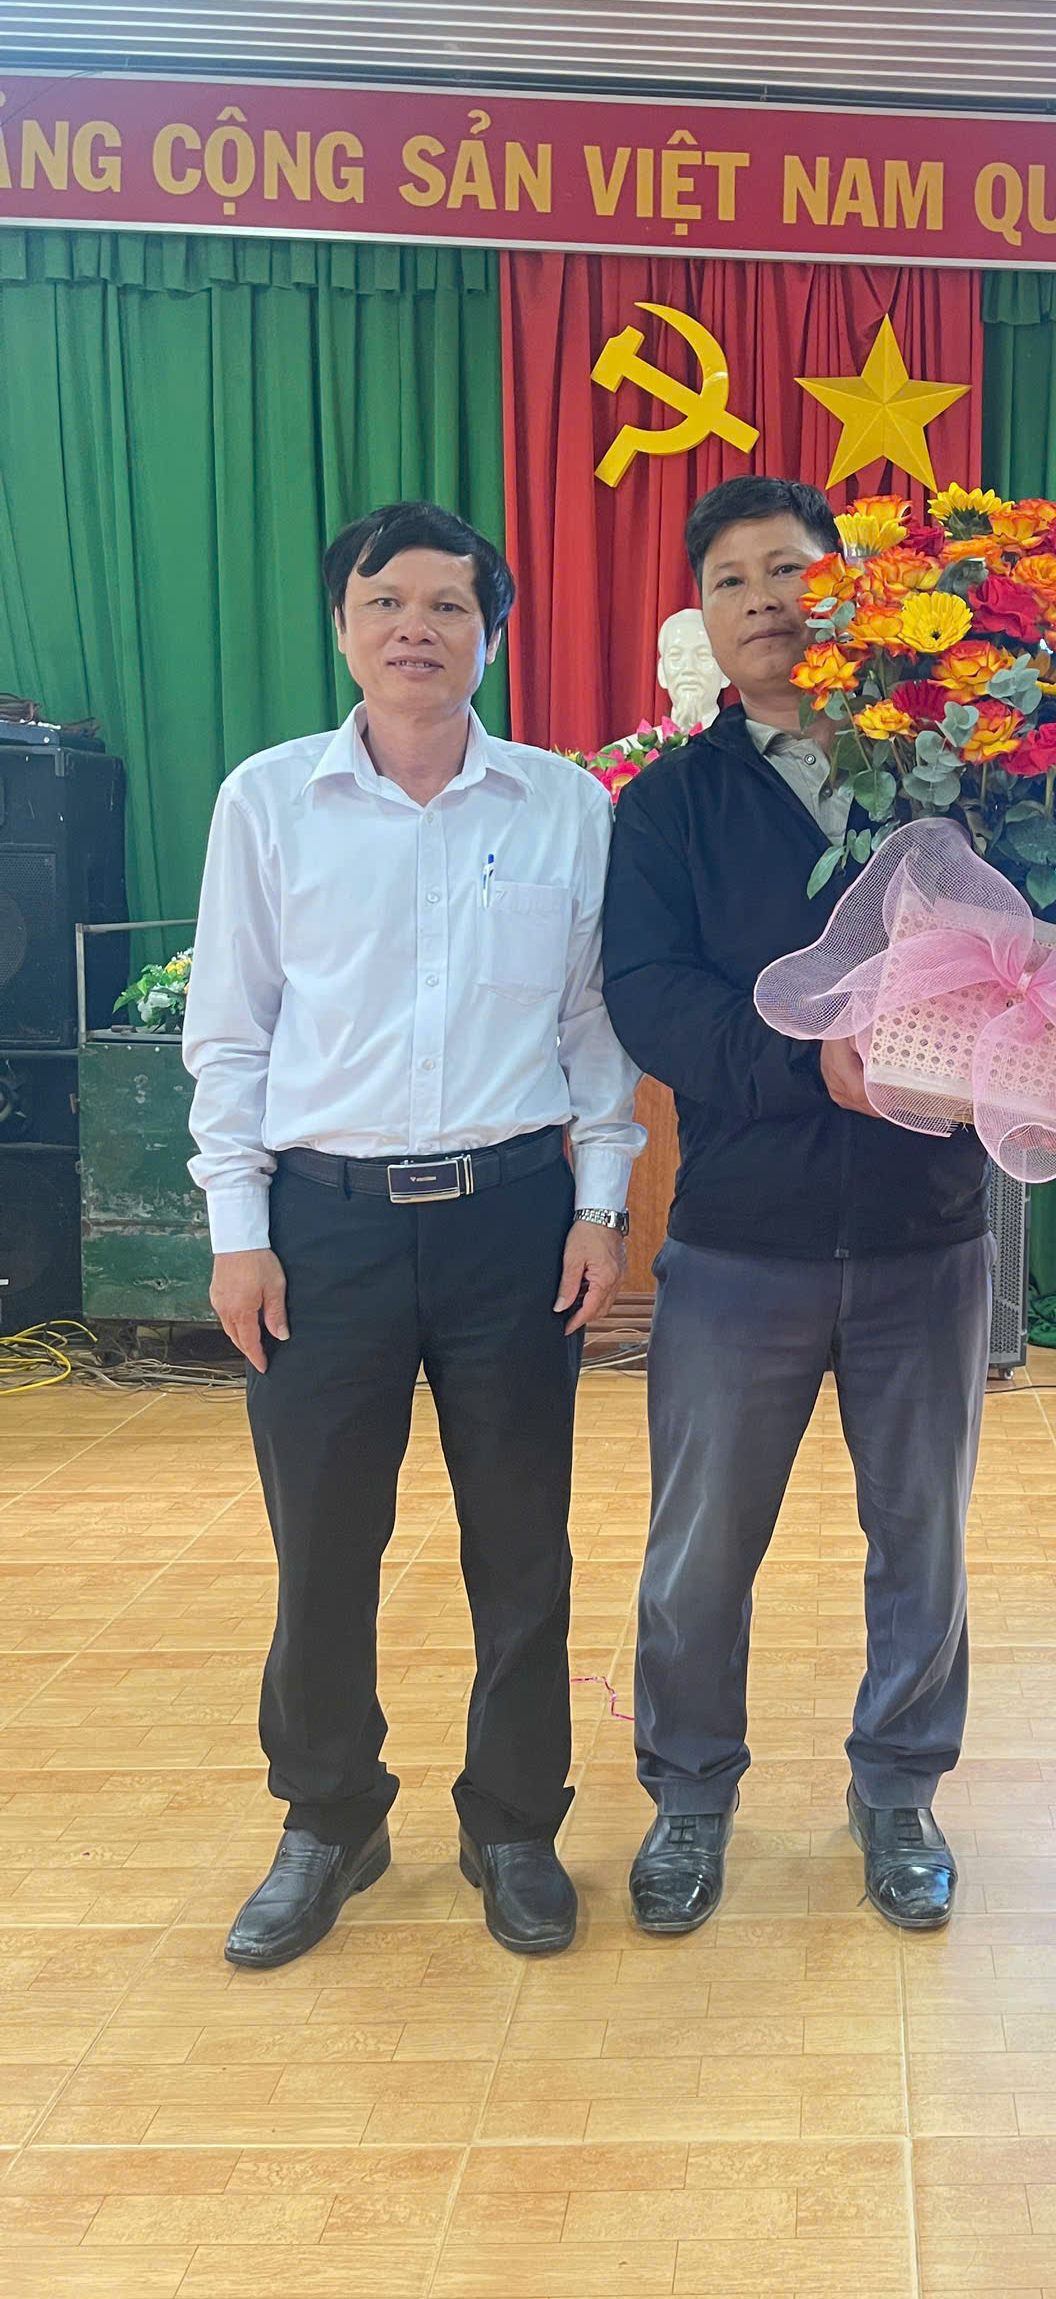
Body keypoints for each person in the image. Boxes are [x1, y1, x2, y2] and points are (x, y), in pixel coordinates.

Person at [184, 502, 642, 1970]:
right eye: (385, 601)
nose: (415, 629)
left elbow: (594, 1028)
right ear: (342, 627)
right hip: (323, 1234)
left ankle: (513, 1823)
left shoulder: (564, 806)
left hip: (513, 1225)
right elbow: (232, 1032)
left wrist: (600, 1205)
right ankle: (330, 1817)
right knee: (323, 1543)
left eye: (450, 605)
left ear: (491, 635)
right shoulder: (269, 801)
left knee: (521, 1544)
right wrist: (239, 1229)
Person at [600, 476, 991, 1937]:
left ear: (845, 596)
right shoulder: (669, 805)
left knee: (922, 1540)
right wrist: (805, 1064)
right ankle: (690, 1794)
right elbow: (651, 997)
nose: (765, 600)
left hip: (927, 1230)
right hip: (738, 1243)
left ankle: (900, 1788)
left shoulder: (946, 779)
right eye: (732, 580)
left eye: (791, 572)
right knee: (701, 1549)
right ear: (703, 620)